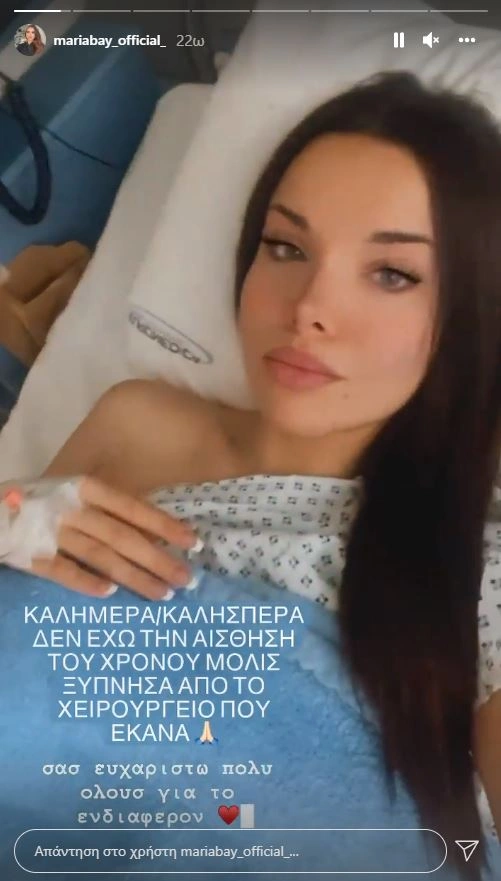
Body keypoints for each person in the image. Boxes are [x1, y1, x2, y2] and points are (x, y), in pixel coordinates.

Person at [4, 71, 501, 875]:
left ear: (469, 314)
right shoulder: (135, 422)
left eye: (391, 273)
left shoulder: (473, 566)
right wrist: (8, 518)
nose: (308, 307)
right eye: (285, 247)